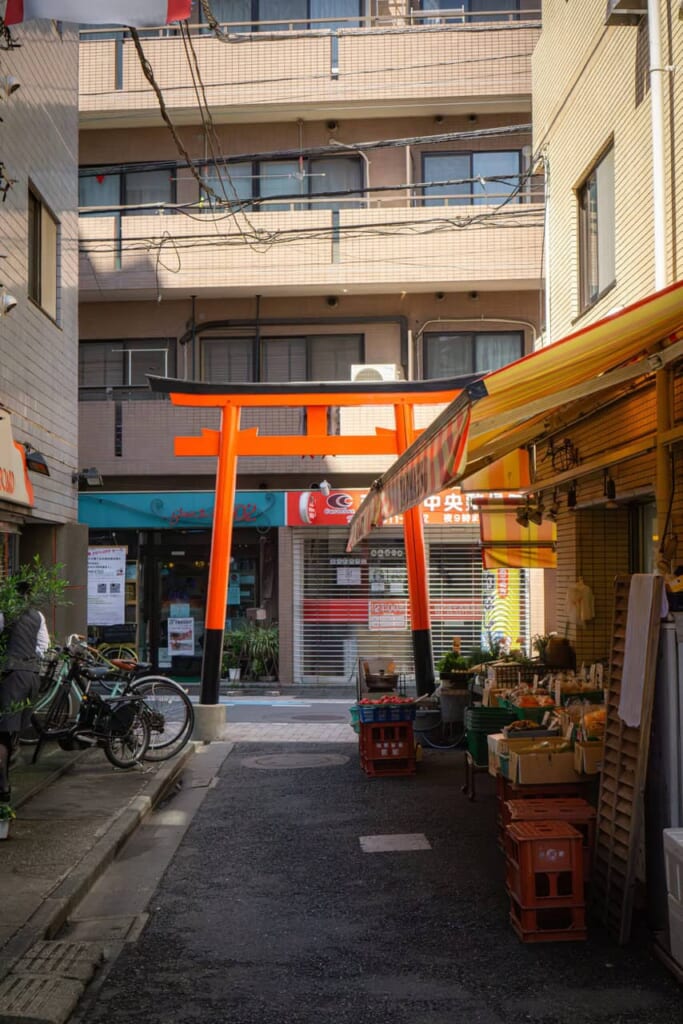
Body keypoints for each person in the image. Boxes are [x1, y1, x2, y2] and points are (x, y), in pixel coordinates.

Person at [0, 580, 49, 803]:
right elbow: (43, 648)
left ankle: (3, 786)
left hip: (11, 676)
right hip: (30, 677)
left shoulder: (5, 614)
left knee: (2, 732)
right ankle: (8, 770)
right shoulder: (38, 616)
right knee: (12, 730)